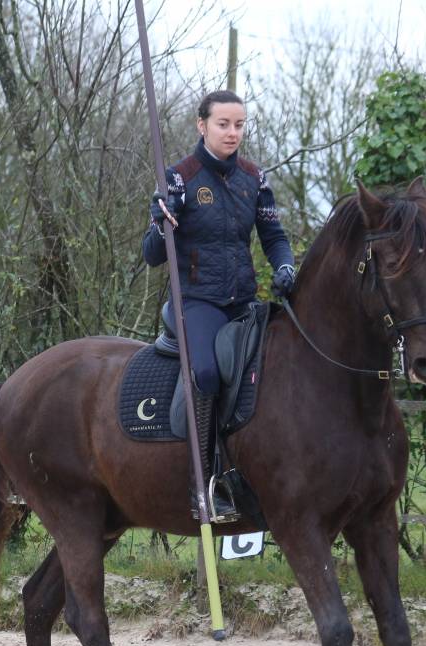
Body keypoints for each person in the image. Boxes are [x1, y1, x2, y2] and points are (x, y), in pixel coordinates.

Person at [142, 89, 296, 522]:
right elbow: (152, 254)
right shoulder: (178, 178)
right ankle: (203, 486)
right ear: (202, 125)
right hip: (195, 301)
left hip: (242, 301)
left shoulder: (254, 178)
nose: (232, 132)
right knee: (207, 372)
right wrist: (161, 221)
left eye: (239, 124)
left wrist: (285, 268)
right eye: (223, 124)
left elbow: (275, 238)